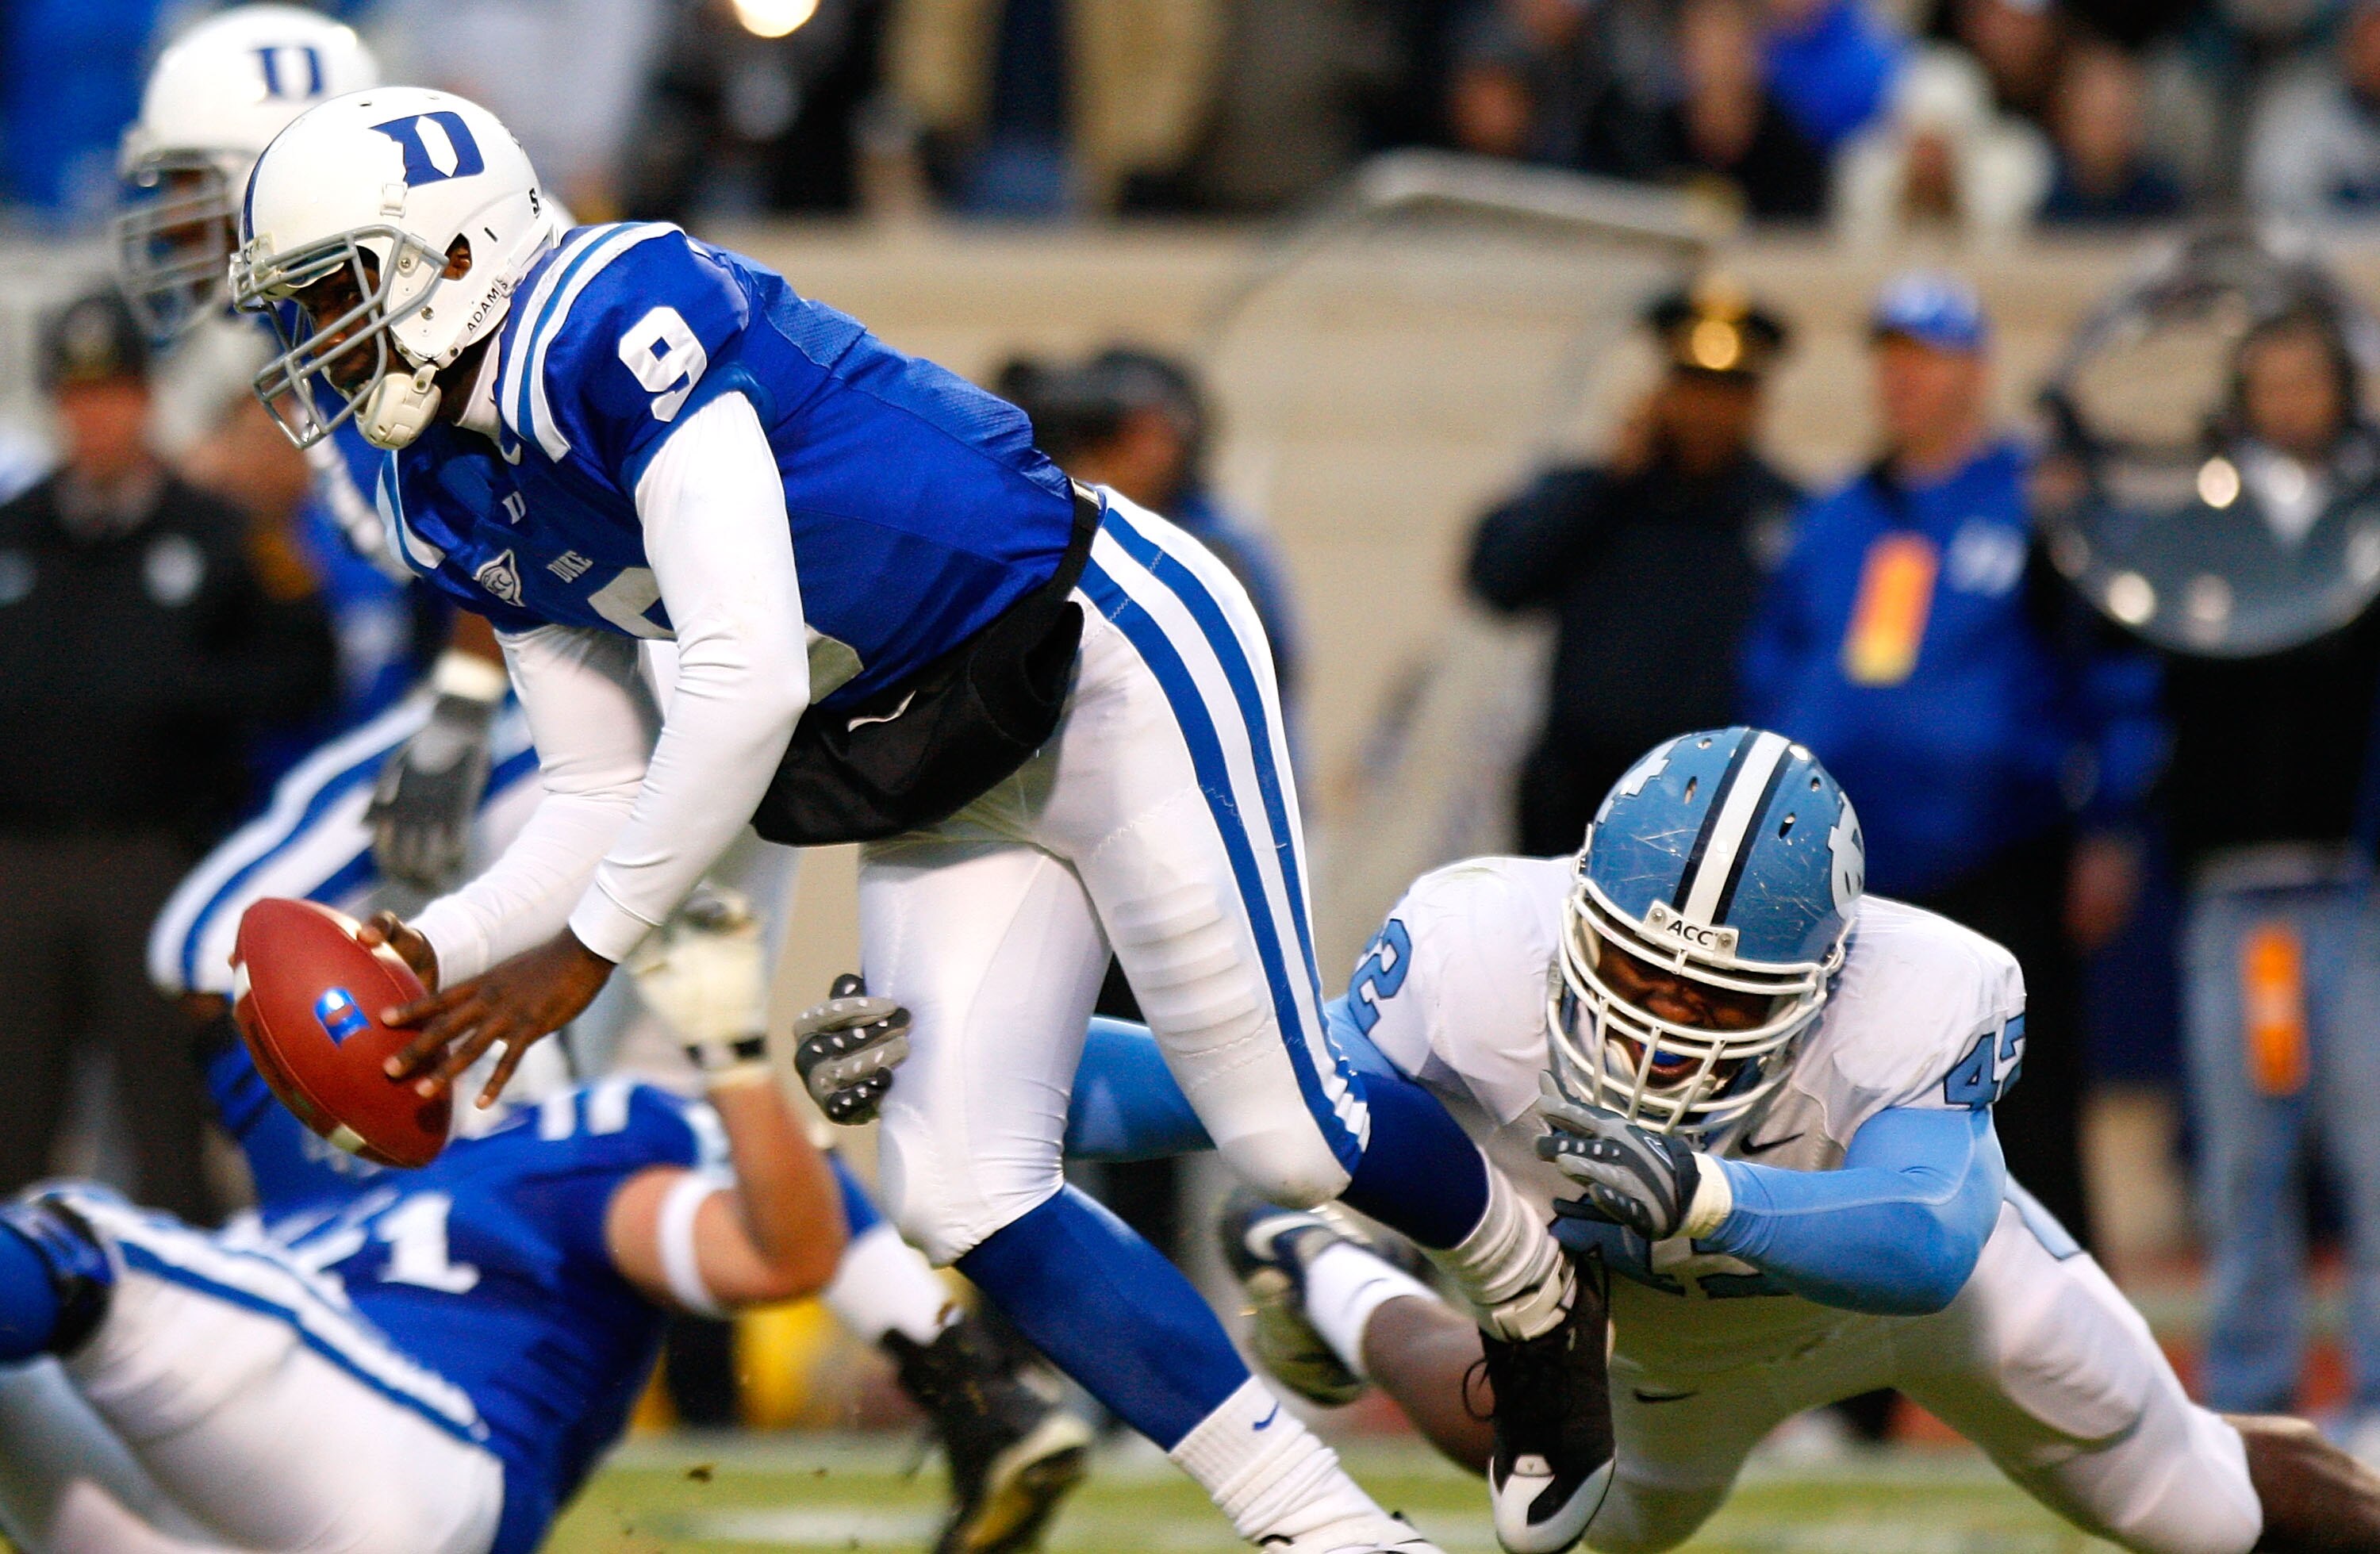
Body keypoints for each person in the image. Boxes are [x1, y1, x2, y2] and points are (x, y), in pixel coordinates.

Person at [232, 87, 1606, 1554]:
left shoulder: (613, 312)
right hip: (931, 763)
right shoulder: (440, 482)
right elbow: (594, 788)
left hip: (1094, 657)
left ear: (453, 251)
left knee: (1289, 1135)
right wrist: (429, 955)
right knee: (954, 1186)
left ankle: (1534, 1286)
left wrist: (586, 946)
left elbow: (747, 673)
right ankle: (1323, 1526)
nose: (315, 340)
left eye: (334, 292)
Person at [1016, 728, 2380, 1554]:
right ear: (1576, 912)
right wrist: (979, 1059)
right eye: (1635, 972)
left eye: (1717, 1000)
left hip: (1939, 1309)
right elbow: (1253, 1085)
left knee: (2200, 1505)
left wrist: (1707, 1189)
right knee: (1573, 1508)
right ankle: (1330, 1275)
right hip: (1658, 1343)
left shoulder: (1926, 983)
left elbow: (1928, 1236)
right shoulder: (1472, 944)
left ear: (1824, 975)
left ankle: (1317, 1268)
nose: (1662, 1032)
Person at [0, 964, 852, 1554]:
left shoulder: (562, 1150)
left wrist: (736, 1059)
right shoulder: (299, 1204)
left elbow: (782, 1261)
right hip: (195, 1500)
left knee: (78, 1240)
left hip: (418, 1478)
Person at [1741, 272, 2164, 1258]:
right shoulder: (1834, 520)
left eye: (1924, 359)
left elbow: (2113, 675)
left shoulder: (2037, 504)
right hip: (1851, 879)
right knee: (1843, 1119)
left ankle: (2072, 1368)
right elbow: (1774, 670)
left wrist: (2110, 825)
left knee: (2029, 1108)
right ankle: (1858, 1400)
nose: (1901, 381)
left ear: (1973, 373)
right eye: (1888, 359)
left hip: (2002, 853)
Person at [0, 289, 336, 1224]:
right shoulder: (15, 531)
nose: (94, 416)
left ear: (144, 400)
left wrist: (177, 708)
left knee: (165, 1118)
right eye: (76, 397)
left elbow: (307, 673)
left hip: (158, 855)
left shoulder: (215, 534)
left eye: (111, 394)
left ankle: (181, 1324)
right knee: (13, 1112)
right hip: (18, 859)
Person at [1468, 278, 1800, 857]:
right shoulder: (1597, 496)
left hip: (1720, 818)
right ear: (1661, 392)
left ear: (1755, 403)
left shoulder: (1789, 517)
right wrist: (1609, 480)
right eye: (1692, 386)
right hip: (1581, 802)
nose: (1706, 411)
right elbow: (1496, 579)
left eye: (1727, 391)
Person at [2247, 0, 2380, 224]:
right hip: (2327, 252)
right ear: (2350, 49)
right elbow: (2279, 211)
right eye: (2371, 47)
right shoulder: (2299, 114)